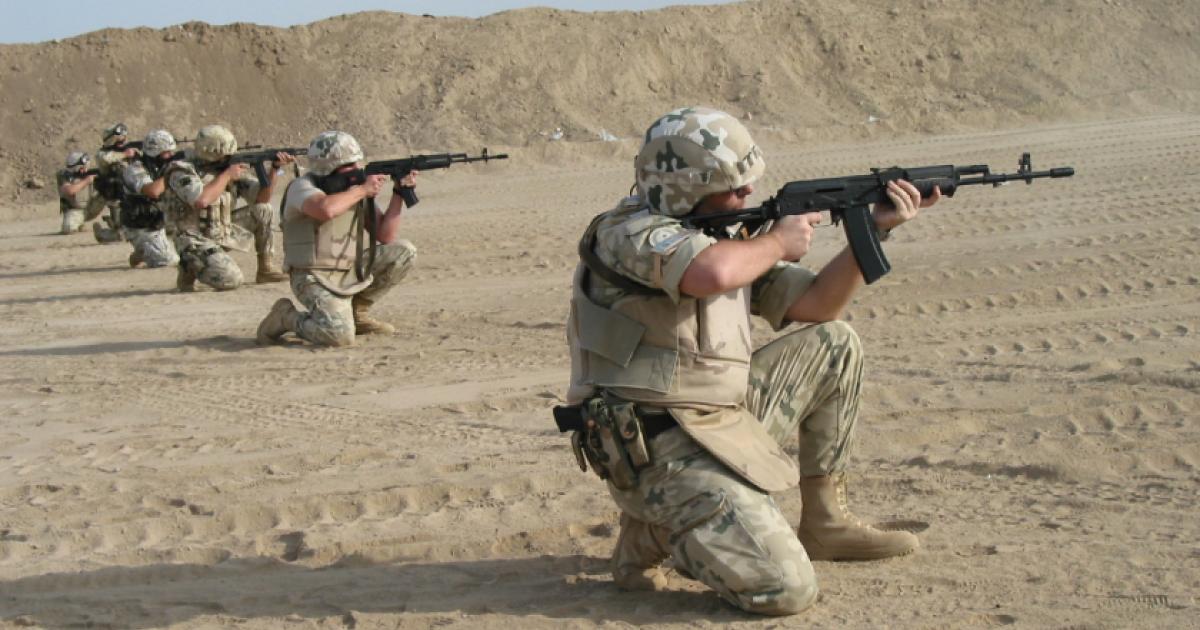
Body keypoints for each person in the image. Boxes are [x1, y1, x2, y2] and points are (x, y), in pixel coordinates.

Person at [563, 107, 941, 615]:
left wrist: (871, 232)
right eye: (734, 189)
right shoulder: (625, 233)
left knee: (835, 342)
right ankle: (657, 530)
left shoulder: (724, 236)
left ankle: (825, 523)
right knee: (785, 590)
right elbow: (709, 274)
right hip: (654, 450)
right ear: (685, 188)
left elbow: (817, 305)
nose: (747, 198)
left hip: (716, 419)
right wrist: (779, 241)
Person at [257, 131, 417, 347]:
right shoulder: (301, 187)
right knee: (338, 336)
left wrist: (399, 193)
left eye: (356, 163)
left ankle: (357, 313)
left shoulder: (352, 190)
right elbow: (325, 210)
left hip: (349, 269)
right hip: (312, 276)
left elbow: (385, 235)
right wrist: (362, 190)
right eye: (348, 166)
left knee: (403, 251)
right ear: (327, 168)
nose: (356, 170)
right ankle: (286, 316)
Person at [158, 124, 288, 291]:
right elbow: (200, 200)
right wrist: (227, 175)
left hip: (219, 229)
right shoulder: (181, 170)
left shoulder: (225, 168)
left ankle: (266, 268)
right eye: (225, 156)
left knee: (263, 209)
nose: (229, 158)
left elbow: (262, 197)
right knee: (231, 280)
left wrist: (274, 170)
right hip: (192, 238)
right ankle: (189, 265)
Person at [120, 129, 181, 268]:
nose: (171, 155)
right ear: (155, 152)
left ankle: (150, 247)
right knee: (169, 261)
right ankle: (142, 251)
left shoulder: (163, 167)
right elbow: (153, 191)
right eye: (167, 152)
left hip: (162, 218)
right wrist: (172, 171)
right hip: (141, 226)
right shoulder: (134, 169)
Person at [85, 122, 139, 242]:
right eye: (119, 141)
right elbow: (106, 158)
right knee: (83, 216)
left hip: (129, 193)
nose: (123, 142)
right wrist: (125, 154)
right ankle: (115, 226)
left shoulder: (130, 150)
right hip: (107, 192)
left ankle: (118, 227)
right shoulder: (102, 154)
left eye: (124, 140)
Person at [56, 151, 95, 234]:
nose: (85, 169)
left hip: (91, 207)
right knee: (68, 228)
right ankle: (79, 222)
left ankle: (117, 225)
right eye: (82, 167)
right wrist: (87, 181)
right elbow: (69, 190)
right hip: (74, 210)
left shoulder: (90, 173)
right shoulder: (64, 175)